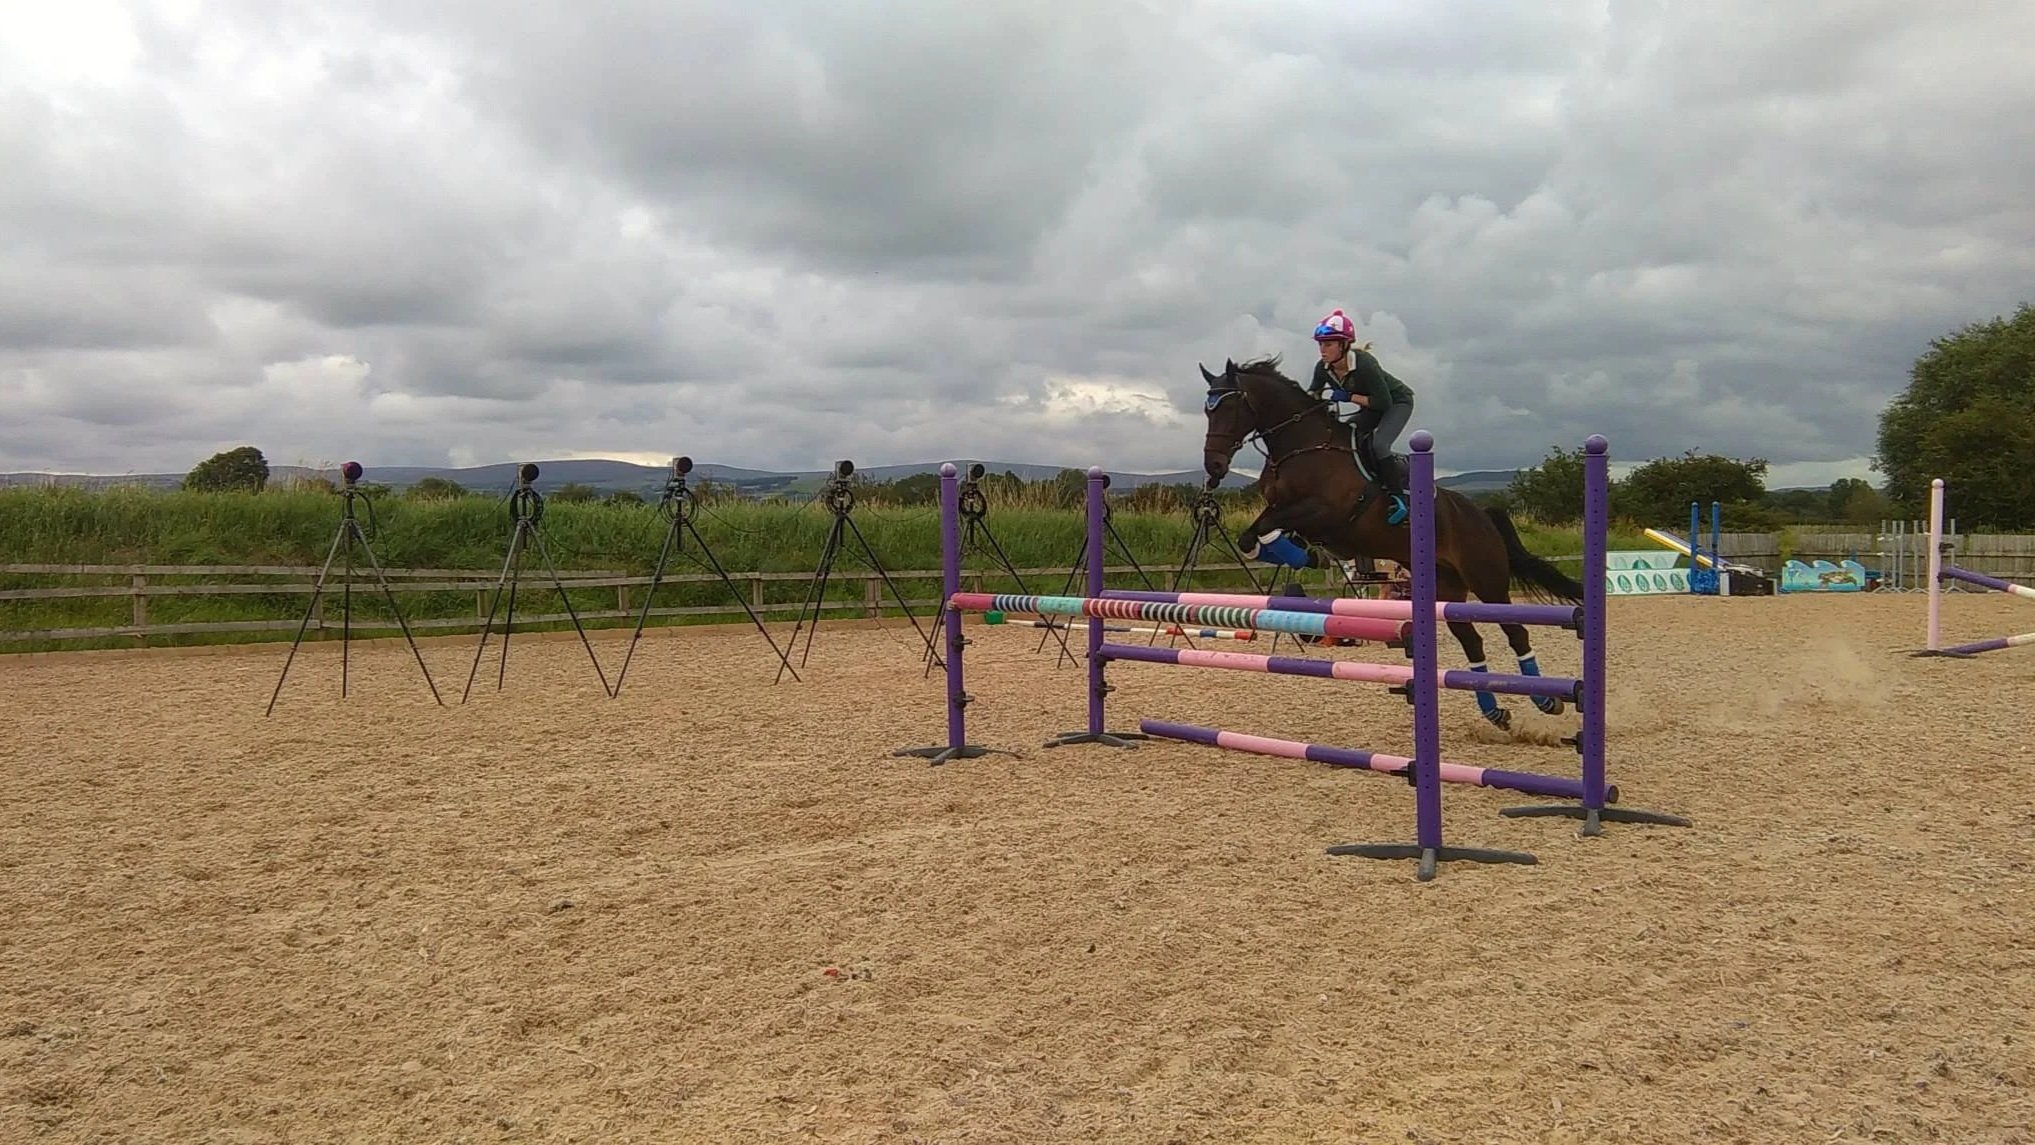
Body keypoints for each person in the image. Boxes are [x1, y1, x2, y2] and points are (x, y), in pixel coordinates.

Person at [1306, 309, 1416, 525]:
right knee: (1346, 436)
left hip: (1397, 402)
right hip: (1371, 407)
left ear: (1343, 345)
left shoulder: (1365, 363)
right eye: (1320, 344)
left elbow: (1383, 403)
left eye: (1328, 344)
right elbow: (1313, 395)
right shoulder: (1323, 368)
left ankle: (1399, 498)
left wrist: (1348, 396)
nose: (1322, 349)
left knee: (1380, 444)